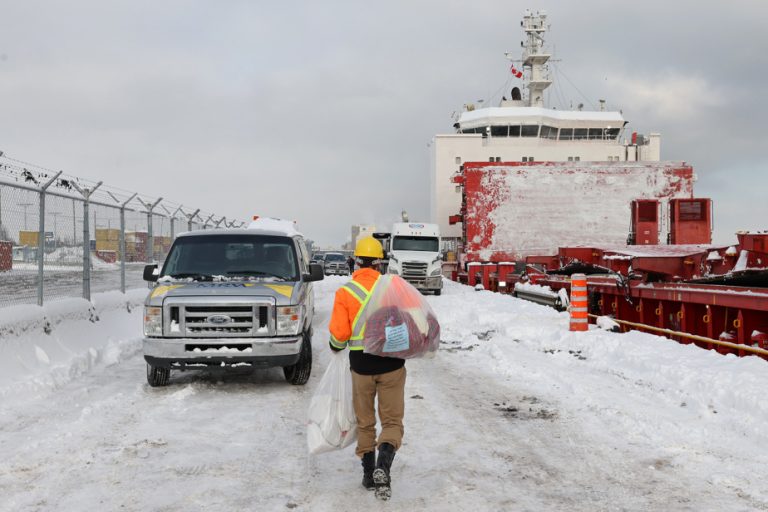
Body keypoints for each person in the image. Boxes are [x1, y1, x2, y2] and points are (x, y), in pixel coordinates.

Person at [328, 237, 405, 501]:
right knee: (392, 421)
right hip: (392, 365)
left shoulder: (345, 293)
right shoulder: (393, 289)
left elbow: (338, 337)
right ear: (380, 264)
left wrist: (336, 345)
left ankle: (368, 474)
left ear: (356, 262)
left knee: (365, 422)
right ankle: (384, 465)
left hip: (361, 367)